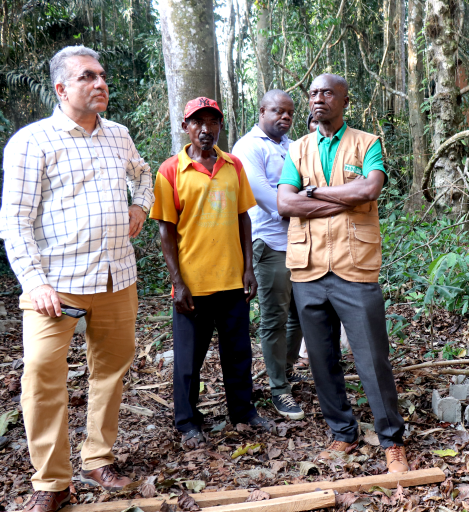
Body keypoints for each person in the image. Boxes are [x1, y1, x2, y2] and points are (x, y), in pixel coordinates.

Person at [0, 45, 154, 511]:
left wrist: (140, 205)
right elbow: (14, 221)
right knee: (41, 377)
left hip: (116, 277)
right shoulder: (32, 141)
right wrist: (35, 282)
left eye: (101, 75)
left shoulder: (119, 135)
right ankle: (51, 482)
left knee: (110, 373)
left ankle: (97, 458)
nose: (100, 83)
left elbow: (143, 172)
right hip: (55, 285)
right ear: (61, 88)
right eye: (87, 76)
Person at [277, 73, 409, 474]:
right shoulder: (298, 148)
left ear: (345, 101)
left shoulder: (367, 143)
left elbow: (369, 190)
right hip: (308, 269)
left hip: (355, 268)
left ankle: (392, 442)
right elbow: (285, 204)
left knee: (372, 360)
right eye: (313, 93)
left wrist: (313, 193)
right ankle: (343, 433)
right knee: (322, 361)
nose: (319, 98)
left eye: (328, 92)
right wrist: (341, 198)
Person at [151, 97, 269, 448]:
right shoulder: (171, 170)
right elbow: (166, 230)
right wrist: (178, 283)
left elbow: (243, 217)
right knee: (188, 360)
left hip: (231, 279)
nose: (206, 129)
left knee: (238, 353)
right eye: (197, 122)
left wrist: (249, 268)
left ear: (220, 126)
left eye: (212, 122)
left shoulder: (233, 165)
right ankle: (187, 421)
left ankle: (243, 412)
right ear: (186, 127)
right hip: (193, 284)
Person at [231, 90, 307, 421]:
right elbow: (263, 194)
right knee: (275, 317)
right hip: (269, 241)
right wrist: (304, 203)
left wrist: (304, 200)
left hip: (300, 240)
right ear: (262, 111)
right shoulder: (249, 146)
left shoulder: (293, 146)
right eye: (278, 111)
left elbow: (310, 183)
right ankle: (279, 389)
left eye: (289, 112)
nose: (285, 117)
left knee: (301, 314)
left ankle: (285, 370)